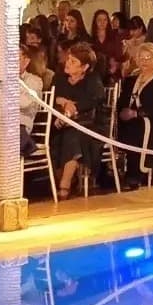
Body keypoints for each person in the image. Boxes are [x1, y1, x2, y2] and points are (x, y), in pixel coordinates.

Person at [114, 42, 153, 188]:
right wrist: (123, 111)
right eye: (141, 58)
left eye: (148, 58)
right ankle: (126, 171)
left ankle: (135, 174)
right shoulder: (132, 79)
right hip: (132, 119)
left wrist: (137, 113)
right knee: (125, 126)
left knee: (138, 127)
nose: (144, 62)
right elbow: (122, 100)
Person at [52, 41, 107, 197]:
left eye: (73, 62)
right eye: (68, 59)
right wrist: (64, 103)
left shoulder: (93, 81)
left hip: (89, 126)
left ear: (85, 67)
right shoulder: (60, 78)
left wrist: (70, 111)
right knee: (54, 133)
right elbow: (53, 97)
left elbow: (91, 101)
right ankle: (59, 177)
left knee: (73, 136)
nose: (68, 63)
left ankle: (65, 184)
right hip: (61, 121)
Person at [88, 9, 125, 82]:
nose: (102, 23)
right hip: (96, 74)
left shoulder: (114, 37)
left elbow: (120, 57)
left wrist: (115, 66)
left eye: (105, 20)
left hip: (113, 74)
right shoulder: (91, 39)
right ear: (95, 22)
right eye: (99, 20)